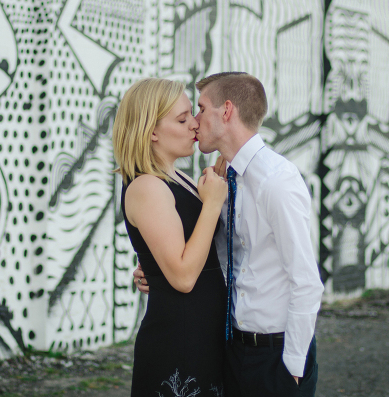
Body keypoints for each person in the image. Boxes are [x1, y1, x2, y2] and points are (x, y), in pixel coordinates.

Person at [135, 72, 324, 397]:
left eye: (200, 109)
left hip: (275, 357)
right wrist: (155, 270)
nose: (195, 121)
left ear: (226, 111)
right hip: (230, 351)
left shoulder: (276, 181)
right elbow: (219, 256)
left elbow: (306, 281)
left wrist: (292, 368)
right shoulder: (221, 181)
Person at [113, 78, 228, 396]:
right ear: (151, 130)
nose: (195, 124)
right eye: (182, 119)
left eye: (192, 114)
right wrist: (212, 205)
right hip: (179, 344)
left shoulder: (175, 177)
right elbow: (183, 277)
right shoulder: (147, 186)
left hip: (199, 336)